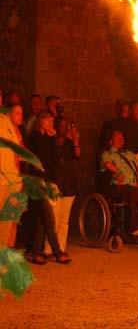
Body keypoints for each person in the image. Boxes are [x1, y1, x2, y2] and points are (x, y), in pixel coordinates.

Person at [25, 110, 71, 265]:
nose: (52, 124)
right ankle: (55, 251)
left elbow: (55, 160)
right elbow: (37, 159)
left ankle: (38, 251)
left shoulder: (48, 138)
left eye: (52, 121)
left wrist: (52, 139)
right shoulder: (34, 137)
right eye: (49, 121)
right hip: (38, 182)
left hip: (47, 181)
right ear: (41, 121)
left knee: (43, 218)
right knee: (47, 217)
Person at [45, 116, 81, 256]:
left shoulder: (69, 142)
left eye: (66, 125)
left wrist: (74, 136)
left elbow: (78, 154)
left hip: (69, 183)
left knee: (64, 220)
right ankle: (49, 248)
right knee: (54, 218)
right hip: (55, 182)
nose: (64, 128)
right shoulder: (50, 141)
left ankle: (61, 247)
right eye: (61, 125)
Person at [0, 104, 24, 247]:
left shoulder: (6, 121)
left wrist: (18, 177)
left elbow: (16, 151)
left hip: (11, 178)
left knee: (8, 221)